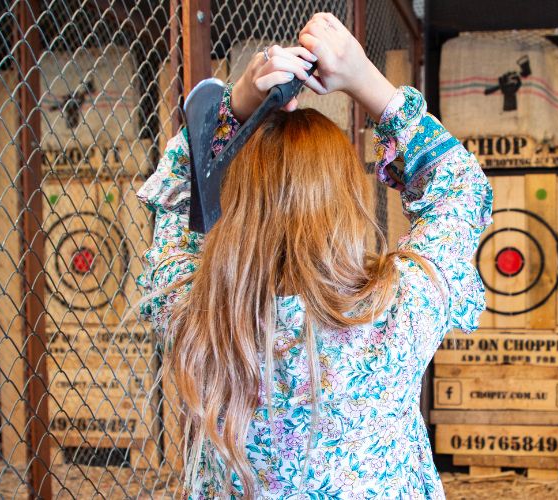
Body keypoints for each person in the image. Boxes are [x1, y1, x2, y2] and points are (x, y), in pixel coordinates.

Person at [136, 12, 492, 499]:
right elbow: (460, 187)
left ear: (237, 205)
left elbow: (177, 199)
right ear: (346, 202)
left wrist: (234, 110)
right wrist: (363, 78)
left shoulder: (196, 319)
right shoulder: (397, 311)